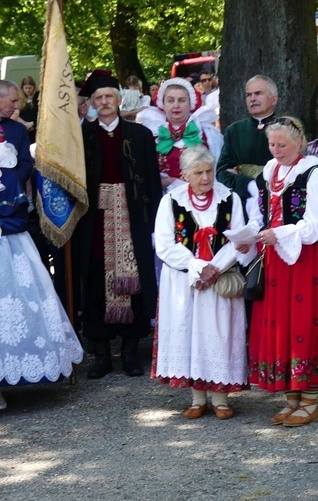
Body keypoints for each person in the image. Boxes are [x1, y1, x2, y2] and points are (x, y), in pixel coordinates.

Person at [244, 117, 318, 427]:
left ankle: (309, 399)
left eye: (282, 145)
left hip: (305, 259)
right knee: (280, 324)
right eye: (272, 144)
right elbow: (259, 213)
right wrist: (255, 234)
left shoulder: (315, 174)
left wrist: (280, 233)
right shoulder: (269, 173)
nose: (276, 150)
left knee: (305, 321)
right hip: (274, 261)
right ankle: (291, 397)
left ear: (299, 142)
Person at [0, 80, 84, 409]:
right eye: (10, 101)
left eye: (18, 102)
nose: (15, 107)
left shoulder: (18, 132)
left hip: (12, 228)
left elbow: (24, 164)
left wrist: (7, 177)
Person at [75, 70, 163, 379]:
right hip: (94, 220)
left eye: (109, 96)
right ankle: (101, 354)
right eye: (98, 98)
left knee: (133, 278)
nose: (104, 102)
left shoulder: (139, 135)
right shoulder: (82, 137)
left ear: (119, 99)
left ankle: (129, 351)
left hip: (132, 216)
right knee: (96, 278)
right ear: (93, 104)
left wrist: (154, 224)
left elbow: (152, 182)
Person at [152, 145, 249, 420]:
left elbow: (237, 239)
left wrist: (214, 268)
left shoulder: (229, 198)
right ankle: (197, 398)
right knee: (189, 333)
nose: (206, 178)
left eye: (209, 171)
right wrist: (197, 267)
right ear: (184, 175)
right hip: (184, 281)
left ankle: (220, 398)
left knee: (218, 334)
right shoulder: (171, 201)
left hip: (219, 280)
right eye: (198, 173)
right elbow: (164, 243)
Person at [137, 77, 223, 193]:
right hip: (164, 200)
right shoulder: (151, 135)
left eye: (181, 100)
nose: (176, 105)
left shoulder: (208, 134)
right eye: (171, 100)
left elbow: (219, 171)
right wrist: (168, 182)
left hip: (203, 197)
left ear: (191, 103)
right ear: (163, 104)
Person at [216, 75, 278, 200]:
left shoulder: (286, 128)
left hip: (277, 199)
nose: (252, 99)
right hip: (243, 200)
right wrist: (247, 184)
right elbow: (222, 172)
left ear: (274, 99)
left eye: (258, 93)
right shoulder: (234, 131)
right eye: (248, 95)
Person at [14, 76, 38, 143]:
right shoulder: (19, 99)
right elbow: (16, 114)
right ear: (22, 88)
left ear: (34, 87)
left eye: (30, 88)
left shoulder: (37, 98)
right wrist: (25, 124)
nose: (28, 90)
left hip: (34, 130)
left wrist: (32, 124)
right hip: (23, 129)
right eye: (26, 88)